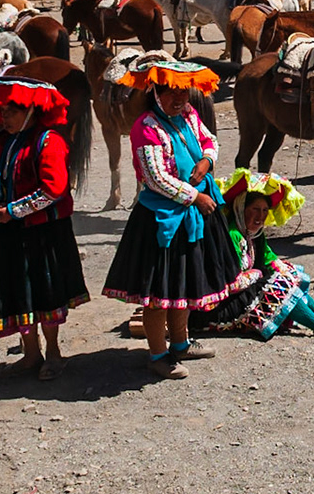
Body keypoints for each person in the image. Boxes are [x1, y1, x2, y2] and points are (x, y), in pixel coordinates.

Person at [101, 54, 242, 378]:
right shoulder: (145, 128)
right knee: (159, 294)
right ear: (156, 93)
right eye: (172, 93)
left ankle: (181, 343)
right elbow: (154, 178)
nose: (179, 99)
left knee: (182, 285)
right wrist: (195, 196)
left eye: (184, 92)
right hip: (161, 220)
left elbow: (210, 141)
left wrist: (206, 162)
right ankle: (157, 354)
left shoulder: (190, 115)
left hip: (193, 214)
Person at [0, 75, 88, 378]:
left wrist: (14, 211)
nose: (5, 117)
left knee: (46, 292)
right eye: (3, 111)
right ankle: (31, 353)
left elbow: (54, 188)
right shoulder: (0, 141)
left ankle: (54, 353)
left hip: (42, 233)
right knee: (17, 292)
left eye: (12, 112)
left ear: (30, 111)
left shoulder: (49, 141)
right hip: (4, 231)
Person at [195, 170, 314, 339]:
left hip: (244, 291)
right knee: (277, 285)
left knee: (288, 272)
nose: (260, 216)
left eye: (264, 210)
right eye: (255, 209)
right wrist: (260, 274)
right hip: (224, 304)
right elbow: (232, 281)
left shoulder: (253, 235)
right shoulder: (232, 235)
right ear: (240, 208)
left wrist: (281, 270)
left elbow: (269, 258)